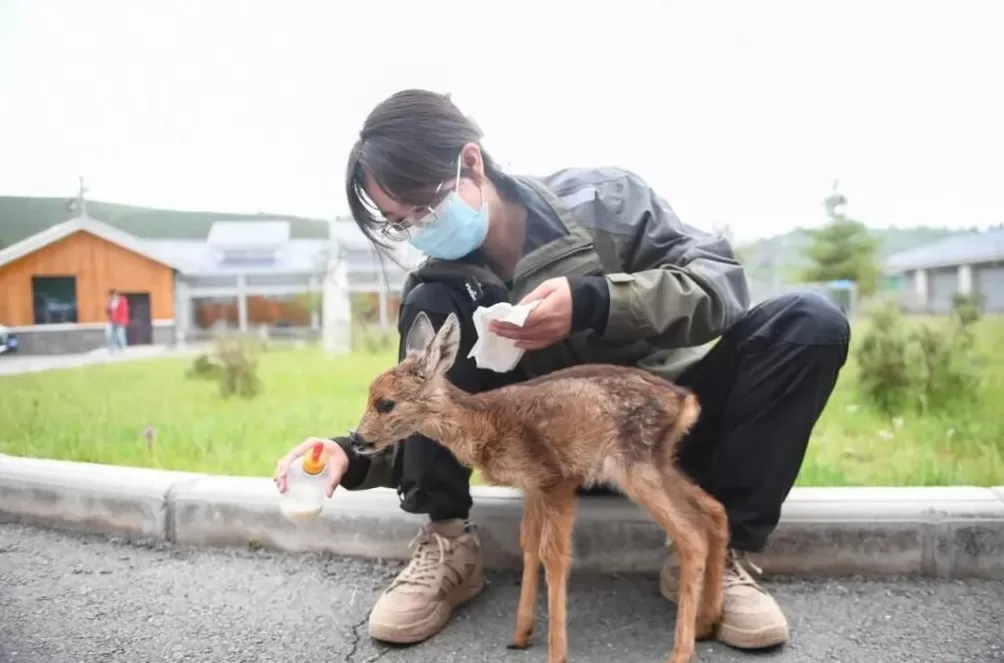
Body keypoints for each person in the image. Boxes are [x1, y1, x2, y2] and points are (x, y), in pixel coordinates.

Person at [274, 89, 851, 651]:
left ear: (470, 161)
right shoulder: (446, 284)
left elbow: (721, 287)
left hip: (667, 434)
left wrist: (597, 301)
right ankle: (447, 542)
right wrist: (351, 452)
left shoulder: (608, 203)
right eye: (402, 223)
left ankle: (719, 556)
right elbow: (439, 410)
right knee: (430, 302)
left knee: (809, 322)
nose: (421, 231)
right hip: (555, 454)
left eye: (424, 209)